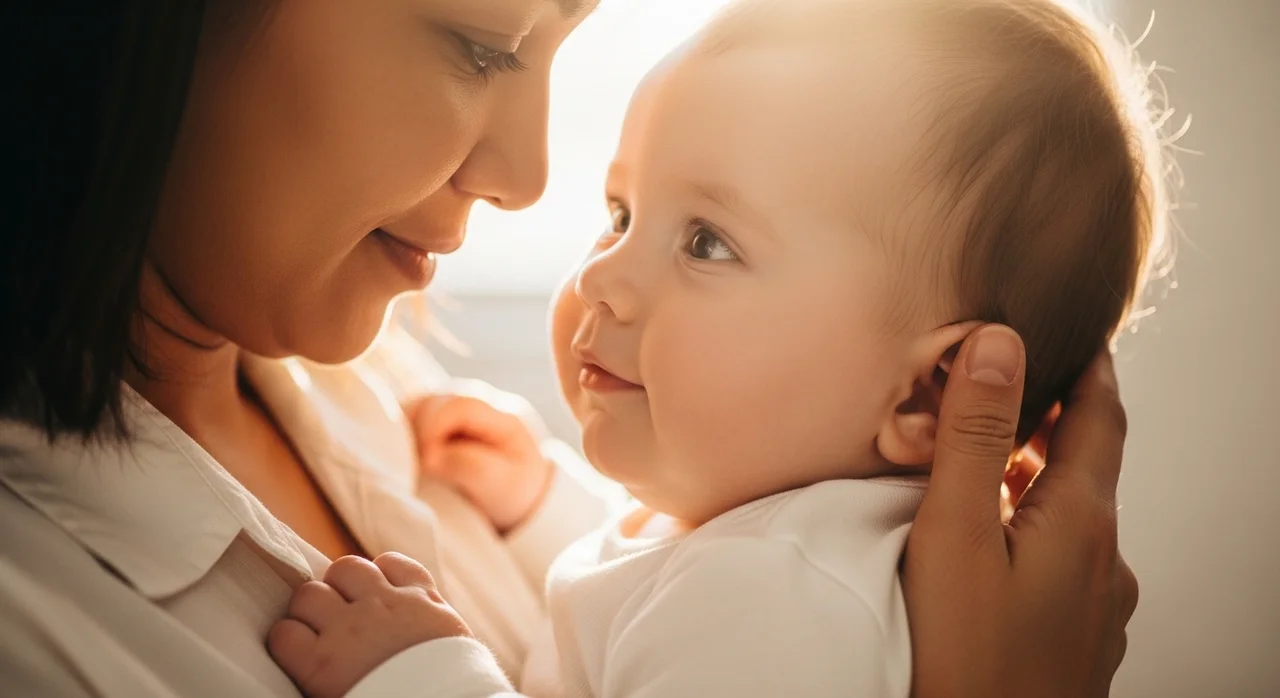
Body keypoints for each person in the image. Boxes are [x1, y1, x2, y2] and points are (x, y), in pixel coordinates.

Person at [0, 1, 1136, 697]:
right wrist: (541, 499)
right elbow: (633, 599)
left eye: (706, 240)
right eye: (480, 43)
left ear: (933, 385)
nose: (528, 178)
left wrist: (424, 676)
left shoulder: (780, 602)